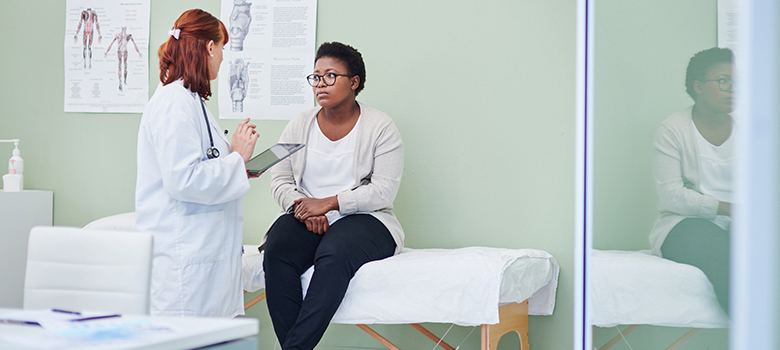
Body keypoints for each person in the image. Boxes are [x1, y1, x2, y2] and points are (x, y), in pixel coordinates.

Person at [263, 42, 404, 350]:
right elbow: (280, 179)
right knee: (277, 250)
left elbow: (382, 190)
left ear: (354, 82)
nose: (320, 84)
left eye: (330, 76)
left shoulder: (381, 127)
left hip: (364, 218)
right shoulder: (299, 124)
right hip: (305, 214)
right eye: (315, 77)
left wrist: (328, 204)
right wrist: (304, 209)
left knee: (334, 254)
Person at [135, 9, 260, 318]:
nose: (222, 57)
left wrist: (234, 163)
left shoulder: (190, 100)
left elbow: (199, 165)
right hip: (184, 264)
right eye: (222, 48)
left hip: (202, 257)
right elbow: (183, 180)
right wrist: (237, 159)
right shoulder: (174, 103)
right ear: (209, 48)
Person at [649, 47, 734, 313]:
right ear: (698, 86)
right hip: (684, 225)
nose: (734, 88)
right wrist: (729, 208)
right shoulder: (673, 129)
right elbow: (672, 196)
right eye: (723, 81)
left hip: (740, 224)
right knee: (727, 256)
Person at [105, 26, 142, 91]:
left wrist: (138, 52)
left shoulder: (128, 36)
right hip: (120, 51)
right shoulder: (118, 35)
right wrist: (107, 51)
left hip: (124, 52)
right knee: (120, 67)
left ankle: (124, 81)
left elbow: (134, 44)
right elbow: (111, 43)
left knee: (124, 67)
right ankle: (121, 82)